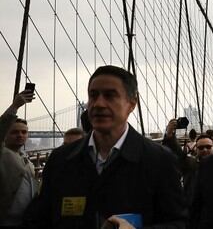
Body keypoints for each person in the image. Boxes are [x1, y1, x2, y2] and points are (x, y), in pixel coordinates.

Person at [26, 65, 187, 228]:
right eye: (93, 95)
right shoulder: (60, 160)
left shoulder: (160, 160)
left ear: (132, 104)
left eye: (110, 96)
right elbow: (38, 219)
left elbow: (180, 223)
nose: (98, 104)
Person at [0, 89, 38, 228]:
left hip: (26, 222)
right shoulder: (2, 154)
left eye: (24, 132)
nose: (20, 135)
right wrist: (14, 107)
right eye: (15, 132)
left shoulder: (27, 161)